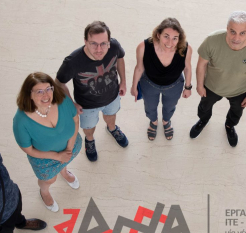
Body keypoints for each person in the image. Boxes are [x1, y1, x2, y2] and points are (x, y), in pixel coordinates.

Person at [190, 11, 246, 146]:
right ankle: (203, 120)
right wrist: (200, 85)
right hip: (212, 86)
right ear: (227, 28)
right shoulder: (212, 40)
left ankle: (229, 126)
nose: (236, 38)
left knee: (236, 112)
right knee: (204, 107)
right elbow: (201, 64)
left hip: (240, 90)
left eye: (242, 33)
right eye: (232, 32)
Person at [56, 21, 128, 161]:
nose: (99, 49)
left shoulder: (114, 46)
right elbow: (59, 83)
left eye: (103, 43)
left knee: (111, 116)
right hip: (87, 105)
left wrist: (123, 81)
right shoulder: (73, 62)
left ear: (109, 42)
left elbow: (120, 57)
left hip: (112, 96)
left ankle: (112, 129)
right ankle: (89, 140)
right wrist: (71, 104)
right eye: (93, 43)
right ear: (85, 42)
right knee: (89, 127)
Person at [13, 72, 82, 212]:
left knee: (66, 161)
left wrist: (68, 150)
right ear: (29, 94)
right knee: (49, 179)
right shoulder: (21, 121)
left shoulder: (62, 99)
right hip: (44, 159)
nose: (46, 95)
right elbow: (28, 149)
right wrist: (57, 156)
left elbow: (75, 121)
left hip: (70, 146)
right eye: (39, 91)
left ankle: (64, 171)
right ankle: (44, 192)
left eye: (48, 89)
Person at [130, 17, 193, 140]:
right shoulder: (144, 47)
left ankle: (166, 121)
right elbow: (139, 68)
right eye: (166, 36)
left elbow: (187, 68)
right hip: (149, 83)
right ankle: (153, 122)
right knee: (150, 107)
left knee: (170, 107)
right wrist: (134, 86)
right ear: (158, 35)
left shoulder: (186, 49)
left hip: (174, 85)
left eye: (175, 38)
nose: (170, 42)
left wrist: (188, 87)